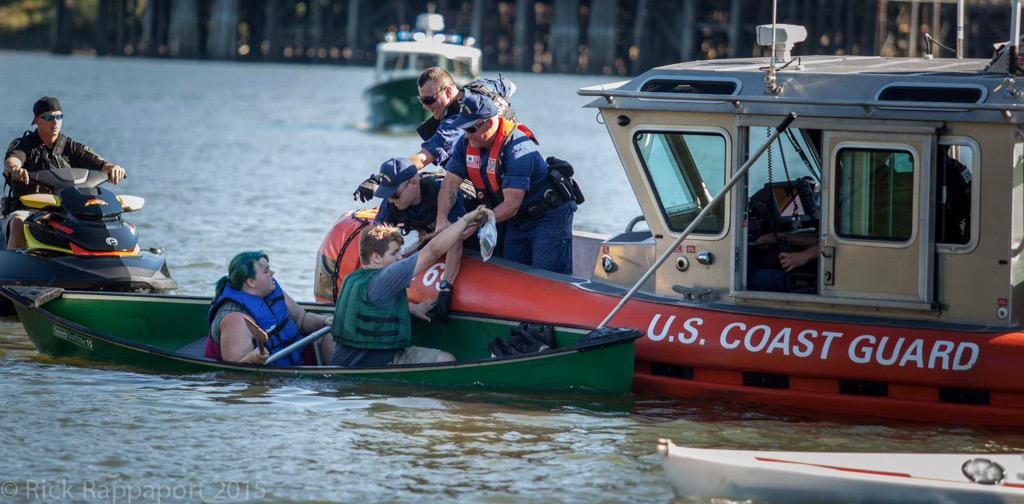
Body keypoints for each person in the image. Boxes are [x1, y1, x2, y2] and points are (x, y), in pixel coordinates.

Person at [331, 205, 494, 367]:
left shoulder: (353, 279)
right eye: (394, 253)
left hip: (345, 362)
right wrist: (466, 219)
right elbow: (433, 251)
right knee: (447, 359)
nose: (400, 257)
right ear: (376, 258)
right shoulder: (386, 277)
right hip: (381, 362)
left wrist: (409, 307)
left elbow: (373, 306)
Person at [434, 93, 577, 274]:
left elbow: (511, 204)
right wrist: (442, 219)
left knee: (546, 275)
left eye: (471, 129)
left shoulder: (518, 149)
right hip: (516, 221)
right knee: (511, 270)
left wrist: (473, 224)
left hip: (548, 216)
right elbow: (449, 186)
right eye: (463, 130)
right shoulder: (466, 144)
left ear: (490, 122)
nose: (467, 136)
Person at [3, 96, 127, 250]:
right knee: (18, 222)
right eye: (48, 117)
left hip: (66, 210)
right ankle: (16, 266)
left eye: (58, 117)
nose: (54, 122)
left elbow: (101, 164)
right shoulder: (24, 144)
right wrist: (15, 169)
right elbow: (12, 160)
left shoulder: (72, 147)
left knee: (110, 222)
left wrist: (112, 168)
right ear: (36, 120)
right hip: (28, 209)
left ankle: (119, 258)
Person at [373, 157, 469, 323]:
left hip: (466, 235)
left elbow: (456, 239)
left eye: (394, 194)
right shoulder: (390, 204)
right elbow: (377, 243)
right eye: (387, 194)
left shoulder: (442, 193)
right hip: (426, 238)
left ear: (414, 182)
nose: (390, 200)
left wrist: (446, 288)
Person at [206, 251, 334, 366]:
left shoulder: (271, 291)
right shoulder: (235, 317)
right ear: (251, 282)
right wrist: (252, 358)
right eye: (266, 271)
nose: (272, 273)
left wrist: (324, 320)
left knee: (330, 332)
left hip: (296, 358)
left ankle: (338, 370)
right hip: (277, 376)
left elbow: (302, 319)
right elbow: (234, 368)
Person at [410, 67, 516, 170]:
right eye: (422, 100)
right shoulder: (481, 87)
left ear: (448, 92)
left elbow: (422, 159)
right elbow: (510, 85)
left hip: (504, 169)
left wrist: (393, 174)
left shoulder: (456, 124)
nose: (424, 106)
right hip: (513, 149)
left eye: (428, 100)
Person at [748, 232, 819, 292]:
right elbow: (818, 241)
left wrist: (805, 255)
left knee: (758, 278)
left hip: (815, 278)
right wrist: (780, 236)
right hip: (809, 267)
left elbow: (829, 246)